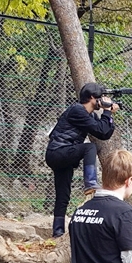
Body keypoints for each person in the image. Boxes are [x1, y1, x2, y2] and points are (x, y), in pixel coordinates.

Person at [45, 82, 117, 238]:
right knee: (89, 148)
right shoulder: (77, 110)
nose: (102, 100)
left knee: (63, 194)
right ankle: (90, 183)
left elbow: (104, 133)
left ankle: (57, 231)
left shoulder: (88, 115)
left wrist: (109, 113)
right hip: (57, 152)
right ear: (92, 98)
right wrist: (106, 111)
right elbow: (100, 130)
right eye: (100, 97)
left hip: (64, 156)